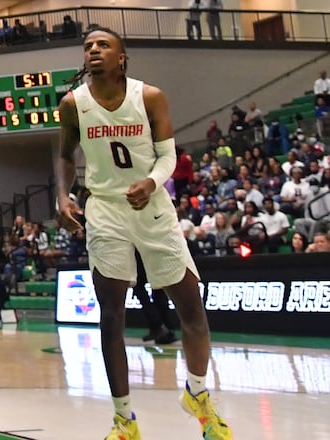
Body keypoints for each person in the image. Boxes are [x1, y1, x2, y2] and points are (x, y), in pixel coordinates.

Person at [56, 27, 231, 440]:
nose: (94, 50)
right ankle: (123, 421)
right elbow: (64, 154)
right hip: (105, 211)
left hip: (151, 206)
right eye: (88, 47)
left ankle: (198, 395)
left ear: (122, 58)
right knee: (111, 317)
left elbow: (168, 155)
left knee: (191, 308)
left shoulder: (149, 96)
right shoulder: (72, 104)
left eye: (103, 45)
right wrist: (63, 196)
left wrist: (151, 183)